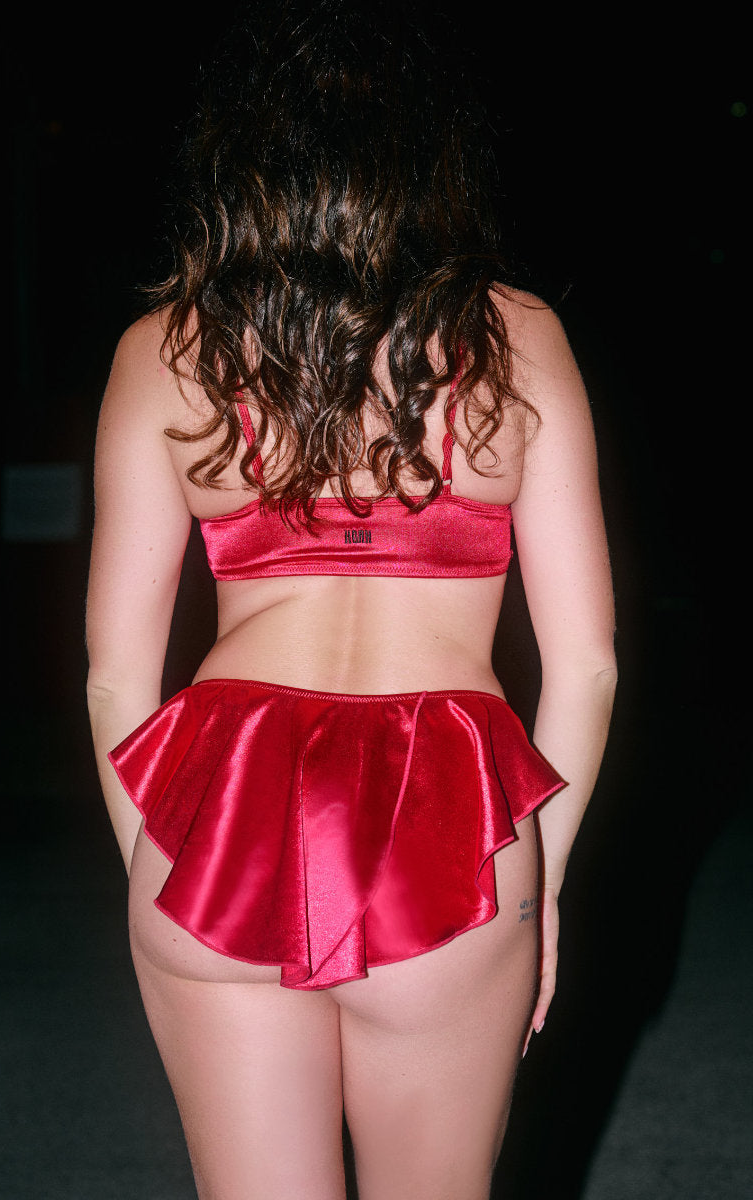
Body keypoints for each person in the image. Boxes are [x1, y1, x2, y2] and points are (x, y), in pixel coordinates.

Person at [86, 4, 617, 1197]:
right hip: (450, 818)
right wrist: (541, 887)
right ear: (432, 161)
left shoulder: (161, 350)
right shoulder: (518, 337)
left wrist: (156, 870)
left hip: (215, 805)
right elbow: (585, 665)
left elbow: (116, 679)